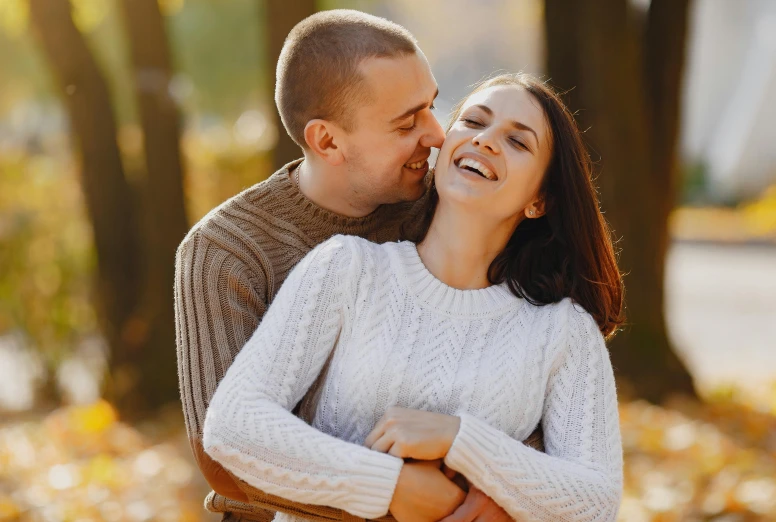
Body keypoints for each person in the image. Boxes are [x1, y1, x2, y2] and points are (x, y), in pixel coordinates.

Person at [202, 72, 626, 522]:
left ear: (540, 200)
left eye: (518, 142)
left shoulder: (562, 330)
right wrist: (389, 486)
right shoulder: (349, 269)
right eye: (473, 122)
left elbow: (596, 501)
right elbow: (234, 425)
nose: (484, 141)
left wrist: (461, 440)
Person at [174, 9, 537, 522]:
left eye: (432, 107)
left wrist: (497, 494)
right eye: (407, 122)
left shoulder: (442, 209)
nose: (436, 134)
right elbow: (222, 458)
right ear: (327, 141)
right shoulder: (227, 251)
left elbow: (530, 351)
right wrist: (390, 492)